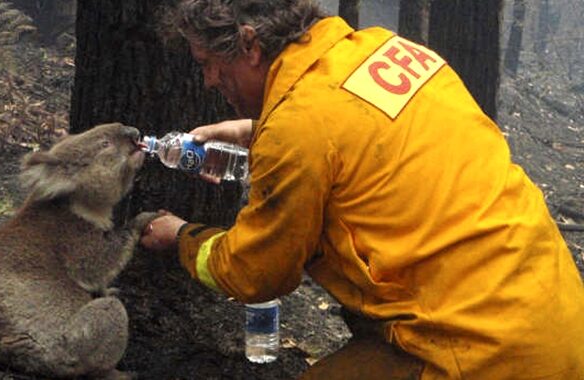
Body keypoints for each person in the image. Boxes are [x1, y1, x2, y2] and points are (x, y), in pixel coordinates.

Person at [141, 0, 584, 378]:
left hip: (481, 353)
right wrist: (256, 130)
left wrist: (181, 236)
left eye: (207, 64)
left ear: (250, 45)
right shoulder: (384, 49)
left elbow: (255, 273)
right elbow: (359, 133)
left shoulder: (298, 130)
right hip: (555, 317)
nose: (209, 82)